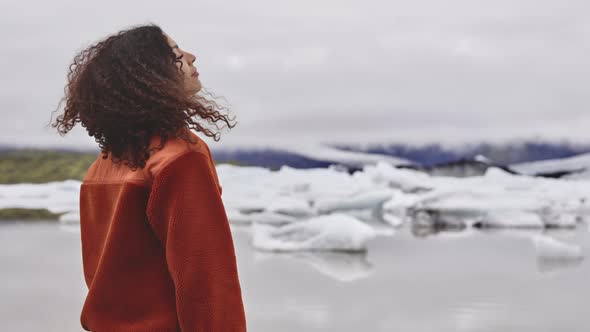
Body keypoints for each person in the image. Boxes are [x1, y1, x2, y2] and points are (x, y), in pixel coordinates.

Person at [50, 23, 247, 331]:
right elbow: (206, 282)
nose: (191, 57)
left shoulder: (103, 165)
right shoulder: (180, 157)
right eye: (174, 53)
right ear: (147, 72)